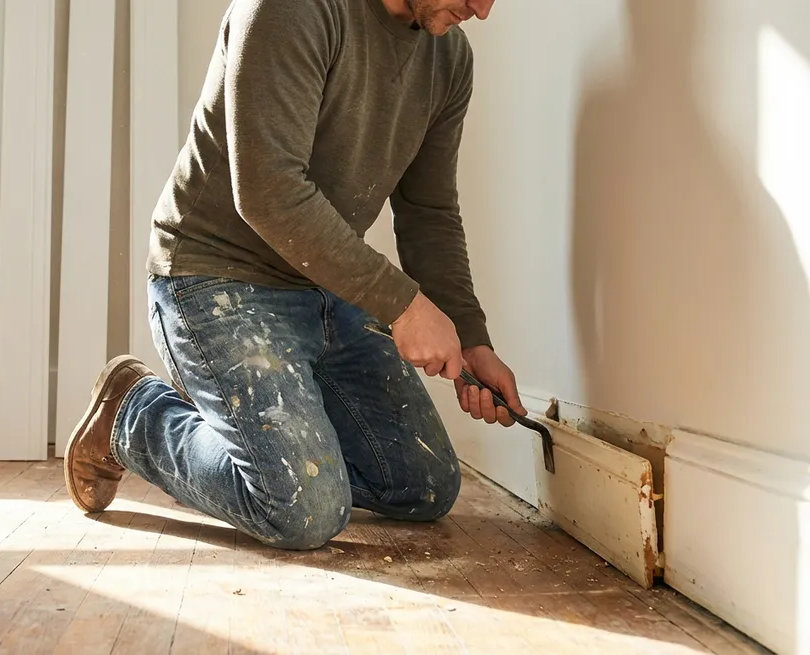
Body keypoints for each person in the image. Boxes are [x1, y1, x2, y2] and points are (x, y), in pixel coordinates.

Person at [64, 0, 524, 551]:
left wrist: (472, 339)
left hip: (325, 283)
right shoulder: (291, 8)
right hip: (216, 278)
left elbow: (429, 211)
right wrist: (403, 306)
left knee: (422, 486)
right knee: (304, 513)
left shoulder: (448, 58)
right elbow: (268, 192)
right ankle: (132, 414)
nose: (483, 8)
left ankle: (266, 439)